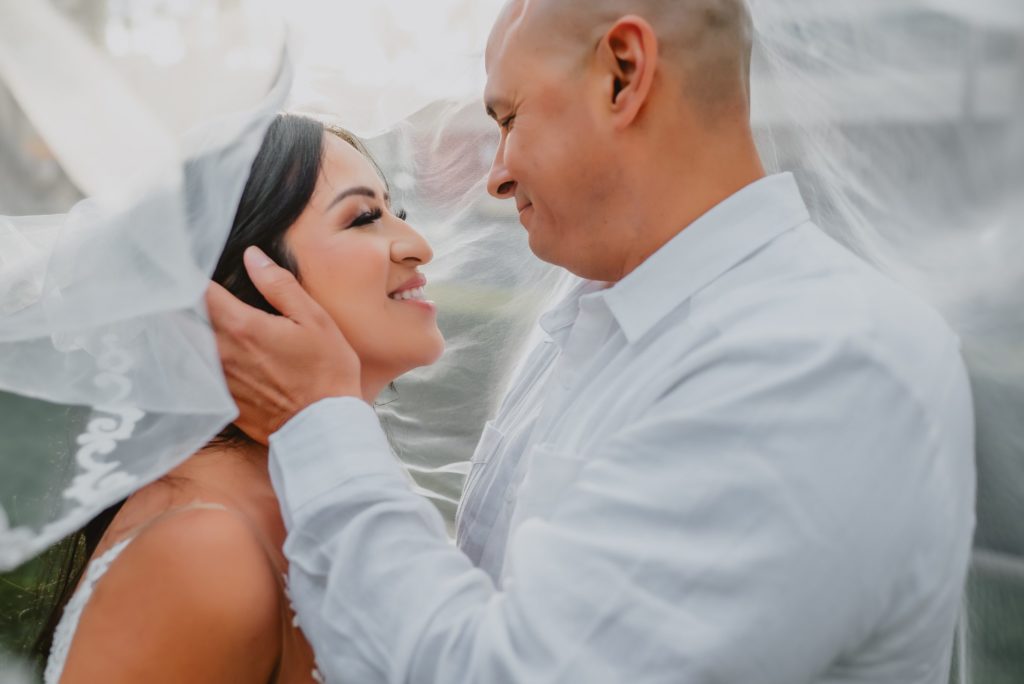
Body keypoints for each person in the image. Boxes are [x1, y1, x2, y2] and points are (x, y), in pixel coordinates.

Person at [206, 0, 976, 682]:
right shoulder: (593, 313)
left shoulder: (820, 359)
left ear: (623, 72)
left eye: (508, 119)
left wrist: (321, 423)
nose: (496, 178)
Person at [38, 113, 443, 682]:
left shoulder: (315, 494)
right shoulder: (202, 552)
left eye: (396, 213)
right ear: (239, 287)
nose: (419, 246)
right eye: (364, 217)